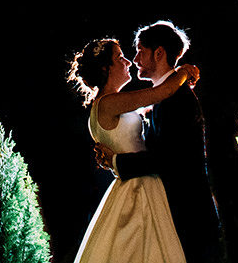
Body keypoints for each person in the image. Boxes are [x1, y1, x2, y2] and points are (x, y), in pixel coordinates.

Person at [68, 36, 199, 263]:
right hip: (140, 186)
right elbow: (162, 92)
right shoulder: (109, 102)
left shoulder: (111, 103)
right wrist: (184, 72)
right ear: (105, 67)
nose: (128, 62)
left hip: (136, 180)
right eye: (120, 58)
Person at [110, 21, 222, 263]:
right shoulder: (166, 96)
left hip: (189, 216)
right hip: (178, 215)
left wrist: (116, 161)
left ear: (159, 52)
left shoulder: (177, 99)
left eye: (141, 50)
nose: (136, 58)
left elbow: (166, 158)